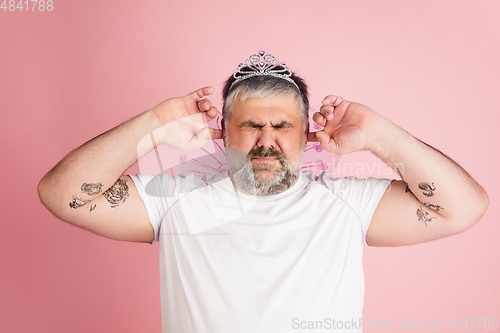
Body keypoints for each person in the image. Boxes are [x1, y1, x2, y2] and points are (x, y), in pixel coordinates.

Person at [38, 51, 489, 332]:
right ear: (223, 132)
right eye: (251, 126)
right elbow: (62, 193)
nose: (266, 141)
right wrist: (154, 126)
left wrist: (376, 133)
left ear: (305, 134)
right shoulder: (172, 199)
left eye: (282, 126)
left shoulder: (348, 203)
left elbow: (464, 208)